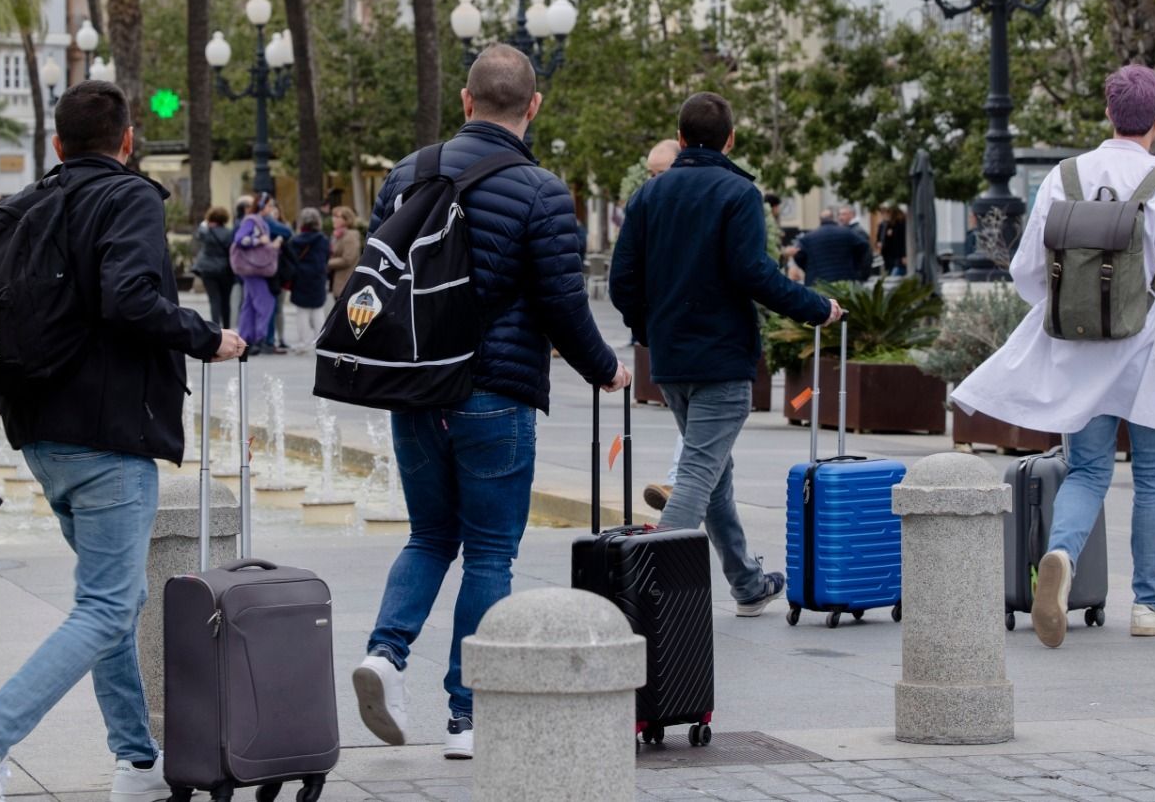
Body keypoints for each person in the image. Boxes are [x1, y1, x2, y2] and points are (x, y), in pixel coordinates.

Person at [0, 81, 246, 802]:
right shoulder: (129, 197)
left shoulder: (25, 204)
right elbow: (131, 298)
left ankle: (135, 760)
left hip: (39, 435)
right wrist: (209, 338)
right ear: (126, 142)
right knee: (111, 606)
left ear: (55, 145)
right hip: (107, 437)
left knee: (110, 599)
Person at [352, 45, 630, 761]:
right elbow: (562, 304)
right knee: (491, 554)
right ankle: (465, 716)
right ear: (532, 108)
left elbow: (376, 276)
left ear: (467, 102)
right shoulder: (542, 191)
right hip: (494, 394)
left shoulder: (406, 174)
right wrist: (606, 369)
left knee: (428, 536)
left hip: (415, 388)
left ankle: (386, 653)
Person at [952, 65, 1155, 650]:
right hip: (1148, 351)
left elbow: (1025, 273)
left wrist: (1070, 311)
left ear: (1108, 112)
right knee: (1151, 480)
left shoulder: (1063, 178)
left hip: (1080, 352)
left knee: (1089, 471)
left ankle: (1060, 558)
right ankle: (1148, 604)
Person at [611, 92, 841, 620]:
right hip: (721, 358)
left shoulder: (648, 197)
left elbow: (622, 280)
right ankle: (648, 593)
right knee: (699, 471)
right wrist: (815, 308)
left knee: (714, 468)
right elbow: (753, 273)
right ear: (730, 139)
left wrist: (649, 328)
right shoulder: (738, 192)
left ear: (682, 138)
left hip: (670, 361)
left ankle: (746, 582)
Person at [639, 137, 688, 513]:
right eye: (650, 174)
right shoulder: (648, 206)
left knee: (704, 439)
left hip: (703, 338)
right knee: (707, 447)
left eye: (661, 173)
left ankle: (677, 483)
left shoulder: (699, 203)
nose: (654, 180)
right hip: (673, 336)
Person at [233, 196, 279, 354]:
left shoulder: (253, 220)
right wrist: (259, 240)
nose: (271, 208)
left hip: (251, 268)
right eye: (269, 205)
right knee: (265, 303)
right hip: (254, 268)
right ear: (262, 206)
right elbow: (239, 239)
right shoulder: (253, 220)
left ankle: (246, 339)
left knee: (249, 304)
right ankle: (258, 338)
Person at [285, 206, 331, 351]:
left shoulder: (295, 241)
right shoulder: (323, 239)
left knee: (302, 312)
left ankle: (304, 343)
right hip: (318, 277)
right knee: (318, 310)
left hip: (300, 279)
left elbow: (290, 260)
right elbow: (327, 257)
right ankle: (320, 341)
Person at [794, 208, 872, 285]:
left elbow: (798, 255)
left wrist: (809, 268)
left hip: (817, 282)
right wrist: (857, 267)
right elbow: (865, 247)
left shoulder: (807, 238)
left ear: (820, 220)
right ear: (833, 218)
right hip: (844, 281)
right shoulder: (848, 233)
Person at [258, 194, 293, 355]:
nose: (272, 210)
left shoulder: (248, 221)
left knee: (255, 306)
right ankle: (268, 341)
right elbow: (286, 231)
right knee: (271, 307)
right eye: (269, 206)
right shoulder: (266, 221)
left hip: (255, 269)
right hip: (269, 269)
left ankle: (260, 340)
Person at [192, 206, 237, 328]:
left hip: (208, 270)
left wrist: (206, 222)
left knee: (214, 300)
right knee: (226, 301)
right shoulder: (230, 233)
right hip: (226, 270)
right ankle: (227, 328)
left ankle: (216, 329)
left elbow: (198, 234)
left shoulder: (205, 232)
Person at [326, 205, 362, 299]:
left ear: (347, 219)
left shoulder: (350, 236)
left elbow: (347, 259)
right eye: (333, 216)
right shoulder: (337, 235)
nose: (334, 219)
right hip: (337, 280)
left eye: (337, 217)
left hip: (346, 281)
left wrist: (326, 262)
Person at [877, 207, 908, 277]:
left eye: (886, 213)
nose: (883, 215)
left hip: (898, 257)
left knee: (895, 274)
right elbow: (881, 238)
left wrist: (904, 255)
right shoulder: (886, 224)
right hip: (889, 256)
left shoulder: (901, 223)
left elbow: (903, 240)